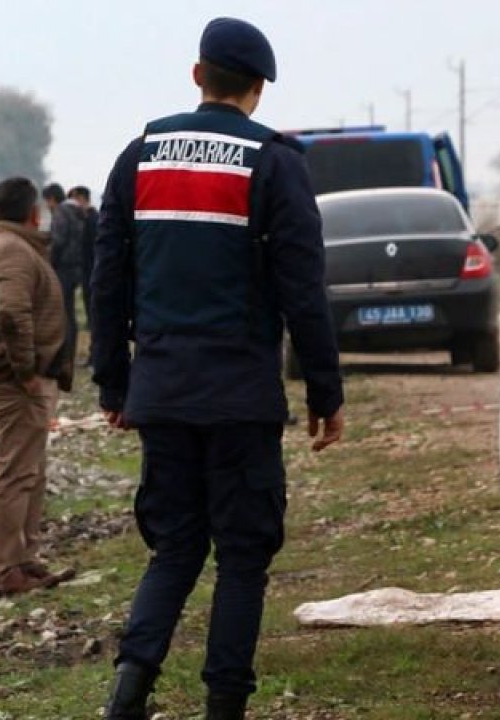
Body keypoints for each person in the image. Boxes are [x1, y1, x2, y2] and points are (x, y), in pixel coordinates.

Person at [90, 18, 346, 720]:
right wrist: (326, 392)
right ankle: (224, 705)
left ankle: (128, 691)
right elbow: (302, 289)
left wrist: (115, 382)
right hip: (240, 400)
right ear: (258, 90)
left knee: (174, 548)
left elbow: (106, 280)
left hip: (163, 392)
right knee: (241, 556)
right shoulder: (273, 162)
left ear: (197, 74)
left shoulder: (138, 157)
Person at [0, 177, 76, 597]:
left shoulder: (0, 245)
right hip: (15, 381)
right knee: (16, 473)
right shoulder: (12, 251)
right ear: (34, 212)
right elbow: (14, 315)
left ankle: (23, 557)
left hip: (17, 377)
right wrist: (27, 372)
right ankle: (4, 567)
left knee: (31, 470)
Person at [42, 183, 85, 362]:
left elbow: (58, 241)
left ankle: (65, 353)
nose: (46, 205)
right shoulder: (75, 212)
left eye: (46, 201)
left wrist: (47, 262)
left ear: (52, 198)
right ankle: (69, 351)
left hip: (63, 269)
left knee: (64, 313)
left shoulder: (60, 213)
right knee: (69, 312)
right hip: (76, 267)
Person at [68, 185, 99, 361]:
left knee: (94, 316)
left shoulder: (92, 219)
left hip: (93, 273)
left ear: (81, 198)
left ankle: (96, 354)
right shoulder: (85, 219)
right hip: (88, 273)